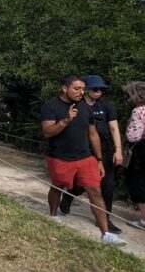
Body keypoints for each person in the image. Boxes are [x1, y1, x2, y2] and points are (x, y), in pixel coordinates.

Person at [40, 74, 125, 246]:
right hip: (60, 157)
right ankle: (54, 215)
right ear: (65, 88)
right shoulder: (50, 106)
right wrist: (66, 120)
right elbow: (47, 132)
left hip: (85, 157)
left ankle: (105, 234)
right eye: (76, 89)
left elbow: (92, 134)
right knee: (58, 186)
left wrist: (99, 159)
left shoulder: (86, 107)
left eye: (83, 89)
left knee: (95, 191)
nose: (81, 92)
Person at [123, 80, 145, 229]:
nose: (129, 98)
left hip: (142, 152)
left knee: (139, 184)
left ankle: (144, 220)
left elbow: (134, 136)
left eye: (131, 95)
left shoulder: (138, 111)